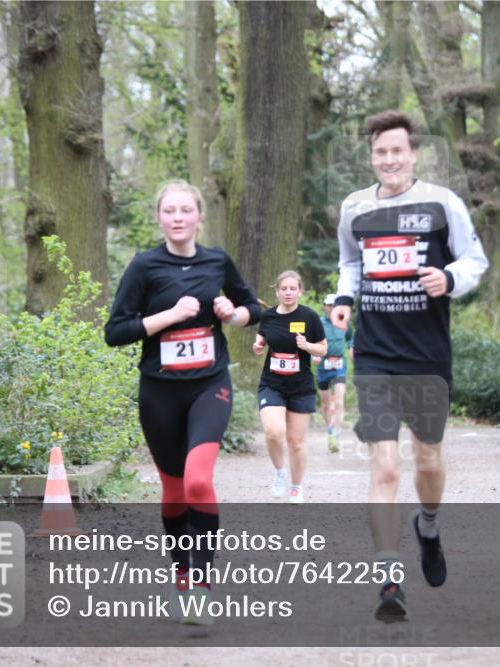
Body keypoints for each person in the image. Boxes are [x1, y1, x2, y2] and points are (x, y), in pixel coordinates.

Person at [330, 111, 488, 621]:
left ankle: (430, 525)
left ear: (414, 153)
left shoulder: (442, 203)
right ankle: (388, 581)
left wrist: (449, 277)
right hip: (375, 355)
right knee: (386, 464)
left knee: (428, 462)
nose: (389, 160)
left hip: (426, 355)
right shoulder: (355, 206)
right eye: (380, 152)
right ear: (371, 157)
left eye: (398, 151)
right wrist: (343, 299)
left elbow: (474, 260)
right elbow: (350, 262)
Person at [104, 179, 261, 625]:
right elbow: (115, 332)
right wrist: (170, 317)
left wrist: (236, 314)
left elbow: (255, 308)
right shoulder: (144, 266)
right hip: (159, 392)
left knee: (196, 482)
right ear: (159, 217)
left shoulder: (217, 261)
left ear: (199, 216)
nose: (177, 218)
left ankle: (202, 584)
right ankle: (182, 577)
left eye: (185, 210)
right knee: (174, 489)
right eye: (169, 211)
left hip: (209, 386)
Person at [252, 271, 327, 504]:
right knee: (274, 432)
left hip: (301, 386)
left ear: (300, 291)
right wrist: (258, 345)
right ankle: (279, 472)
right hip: (272, 383)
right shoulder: (268, 316)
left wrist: (308, 345)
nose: (288, 292)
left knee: (296, 441)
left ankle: (296, 486)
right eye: (284, 289)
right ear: (277, 291)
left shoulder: (310, 317)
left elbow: (323, 349)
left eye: (292, 288)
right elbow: (262, 339)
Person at [312, 293, 354, 453]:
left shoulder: (344, 322)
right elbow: (310, 342)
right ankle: (330, 432)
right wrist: (313, 355)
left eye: (334, 305)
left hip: (339, 366)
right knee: (325, 404)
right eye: (329, 305)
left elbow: (351, 338)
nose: (331, 308)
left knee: (339, 402)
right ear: (324, 306)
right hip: (323, 367)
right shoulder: (318, 323)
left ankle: (336, 434)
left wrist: (352, 349)